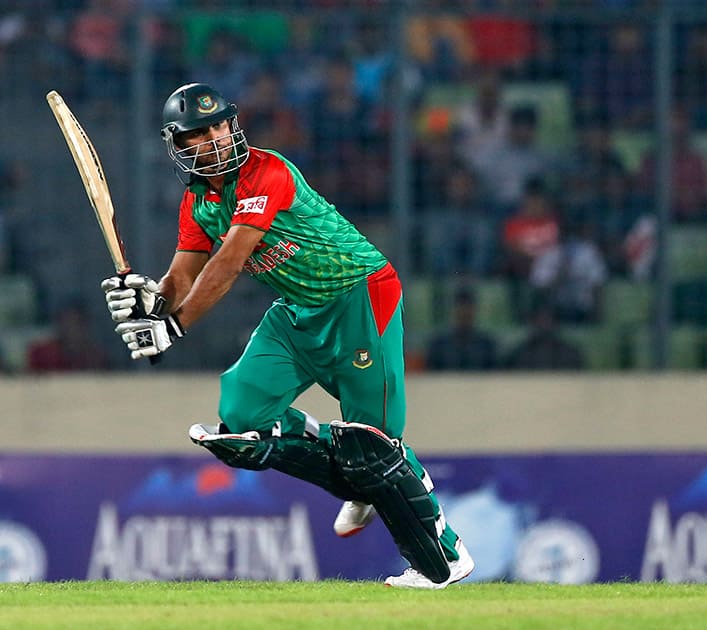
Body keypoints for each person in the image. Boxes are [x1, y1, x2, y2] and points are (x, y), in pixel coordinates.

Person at [100, 83, 473, 589]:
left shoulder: (267, 171)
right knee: (241, 418)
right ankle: (355, 476)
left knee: (377, 445)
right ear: (179, 145)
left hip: (358, 296)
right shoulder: (198, 202)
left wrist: (173, 326)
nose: (214, 137)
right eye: (198, 133)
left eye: (219, 125)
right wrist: (149, 302)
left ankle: (445, 561)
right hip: (296, 312)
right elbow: (182, 276)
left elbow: (229, 261)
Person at [425, 286, 498, 371]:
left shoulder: (487, 346)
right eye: (461, 308)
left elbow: (494, 378)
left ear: (474, 311)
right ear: (453, 311)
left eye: (468, 308)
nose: (464, 312)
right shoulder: (438, 346)